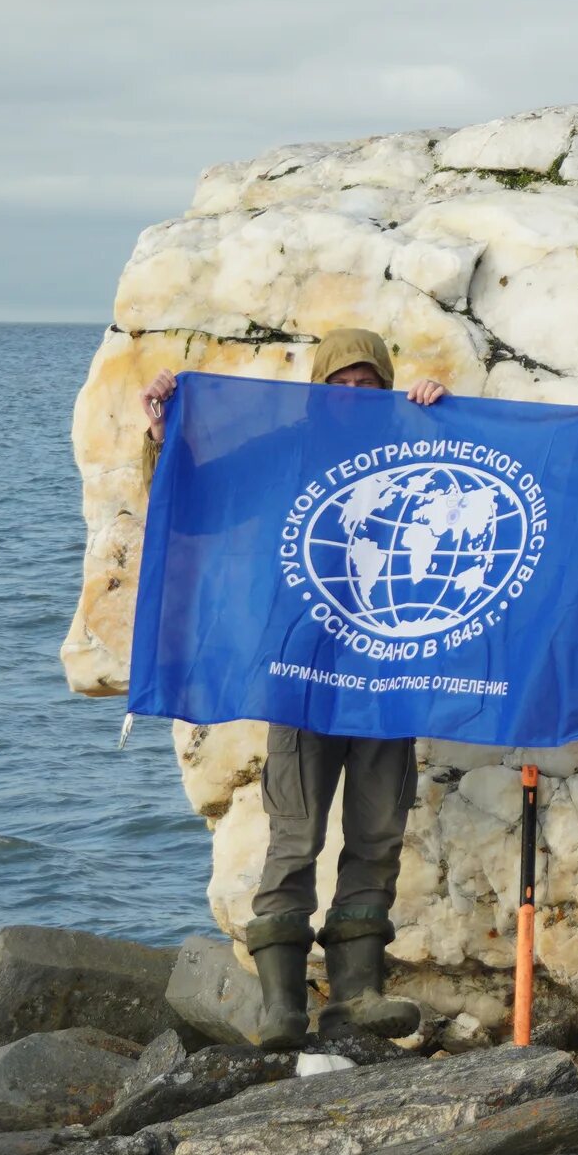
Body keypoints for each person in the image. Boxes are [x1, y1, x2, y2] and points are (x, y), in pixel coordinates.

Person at [141, 327, 448, 1048]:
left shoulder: (417, 446)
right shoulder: (285, 451)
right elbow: (200, 498)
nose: (351, 395)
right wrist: (164, 430)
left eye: (366, 384)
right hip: (304, 674)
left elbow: (476, 480)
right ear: (316, 388)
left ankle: (357, 994)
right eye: (337, 383)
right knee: (296, 832)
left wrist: (441, 411)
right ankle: (283, 1007)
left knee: (377, 831)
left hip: (385, 675)